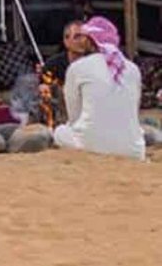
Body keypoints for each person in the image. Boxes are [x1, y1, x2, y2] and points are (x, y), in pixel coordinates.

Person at [53, 16, 145, 160]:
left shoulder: (77, 68)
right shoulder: (133, 69)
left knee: (60, 132)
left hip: (90, 145)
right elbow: (134, 112)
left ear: (90, 41)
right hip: (134, 150)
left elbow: (74, 117)